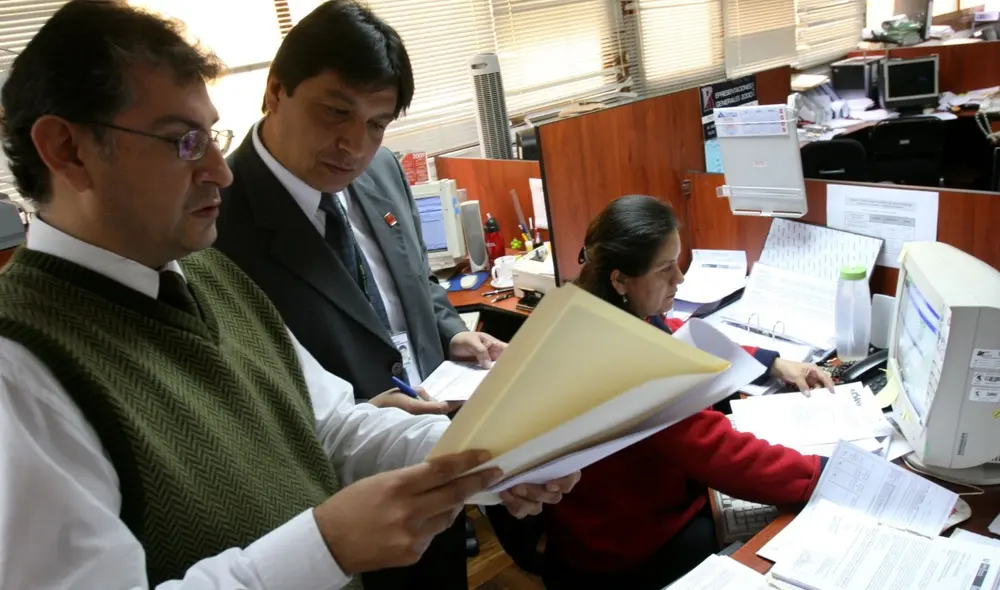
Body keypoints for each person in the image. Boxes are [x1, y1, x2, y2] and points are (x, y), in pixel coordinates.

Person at [0, 3, 577, 589]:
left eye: (211, 138)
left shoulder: (207, 275)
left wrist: (491, 458)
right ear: (67, 150)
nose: (219, 172)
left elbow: (333, 427)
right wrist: (328, 545)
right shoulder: (21, 371)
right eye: (183, 142)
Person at [213, 2, 508, 585]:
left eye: (376, 123)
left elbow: (415, 277)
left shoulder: (382, 171)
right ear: (275, 92)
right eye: (335, 112)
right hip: (332, 506)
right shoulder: (214, 220)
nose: (354, 144)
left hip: (430, 457)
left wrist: (452, 332)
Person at [540, 195, 834, 590]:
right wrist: (825, 472)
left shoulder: (595, 309)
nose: (679, 279)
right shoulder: (627, 364)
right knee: (776, 546)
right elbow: (722, 453)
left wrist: (769, 361)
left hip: (589, 523)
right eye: (665, 269)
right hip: (622, 550)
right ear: (620, 279)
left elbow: (683, 341)